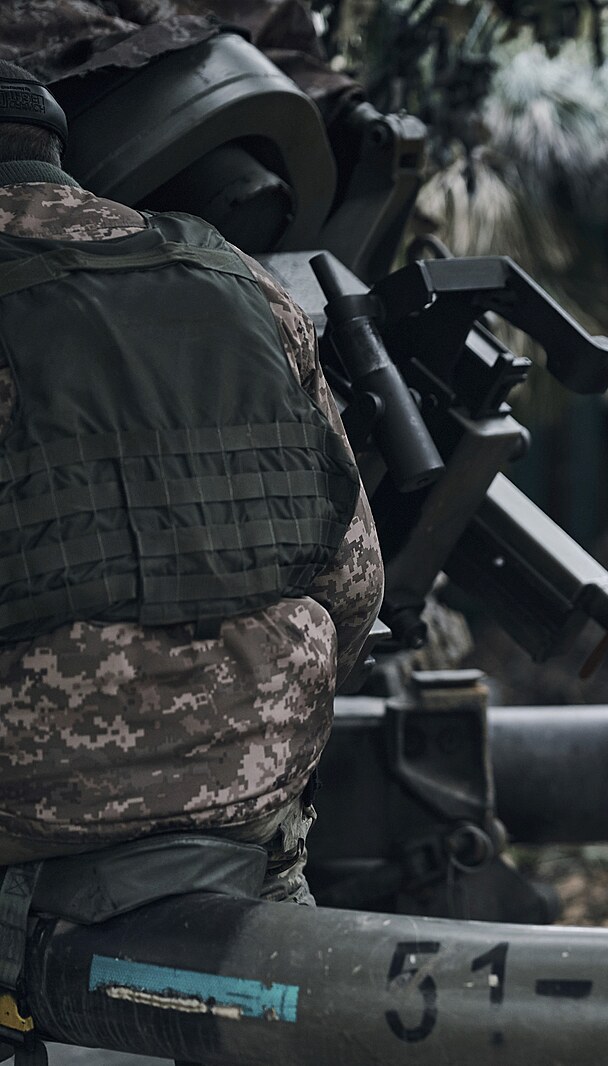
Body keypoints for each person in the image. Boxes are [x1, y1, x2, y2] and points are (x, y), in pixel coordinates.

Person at [0, 60, 382, 906]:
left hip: (32, 800)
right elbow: (356, 584)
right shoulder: (240, 278)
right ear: (55, 152)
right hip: (252, 781)